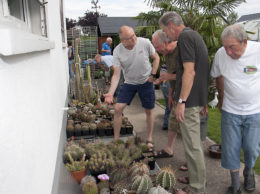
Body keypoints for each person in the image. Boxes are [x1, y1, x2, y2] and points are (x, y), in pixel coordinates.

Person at [159, 12, 209, 194]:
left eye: (165, 30)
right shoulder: (194, 35)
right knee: (194, 145)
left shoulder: (185, 37)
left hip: (189, 101)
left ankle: (196, 189)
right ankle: (196, 183)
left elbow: (190, 72)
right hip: (196, 98)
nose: (166, 34)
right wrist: (202, 100)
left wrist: (181, 101)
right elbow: (203, 69)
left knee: (193, 146)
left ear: (171, 24)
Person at [211, 24, 260, 194]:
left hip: (255, 111)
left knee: (252, 148)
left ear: (244, 41)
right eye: (225, 47)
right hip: (231, 110)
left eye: (231, 47)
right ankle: (235, 185)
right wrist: (222, 98)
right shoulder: (220, 54)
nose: (228, 52)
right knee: (230, 148)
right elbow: (217, 75)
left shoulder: (258, 51)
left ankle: (249, 171)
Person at [104, 25, 160, 150]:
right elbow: (117, 74)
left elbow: (156, 58)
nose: (135, 39)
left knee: (149, 110)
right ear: (123, 40)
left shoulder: (144, 43)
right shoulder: (117, 51)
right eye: (130, 38)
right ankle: (116, 140)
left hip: (146, 81)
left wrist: (153, 74)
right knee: (118, 108)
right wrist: (110, 92)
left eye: (134, 35)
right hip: (129, 83)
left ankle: (149, 139)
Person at [152, 30, 178, 158]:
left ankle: (192, 165)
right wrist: (171, 93)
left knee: (191, 134)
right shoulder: (167, 54)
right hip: (177, 94)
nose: (155, 50)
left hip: (188, 98)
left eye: (157, 46)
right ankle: (169, 149)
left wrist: (167, 76)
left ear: (166, 42)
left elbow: (191, 75)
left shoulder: (182, 50)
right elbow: (173, 76)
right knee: (172, 122)